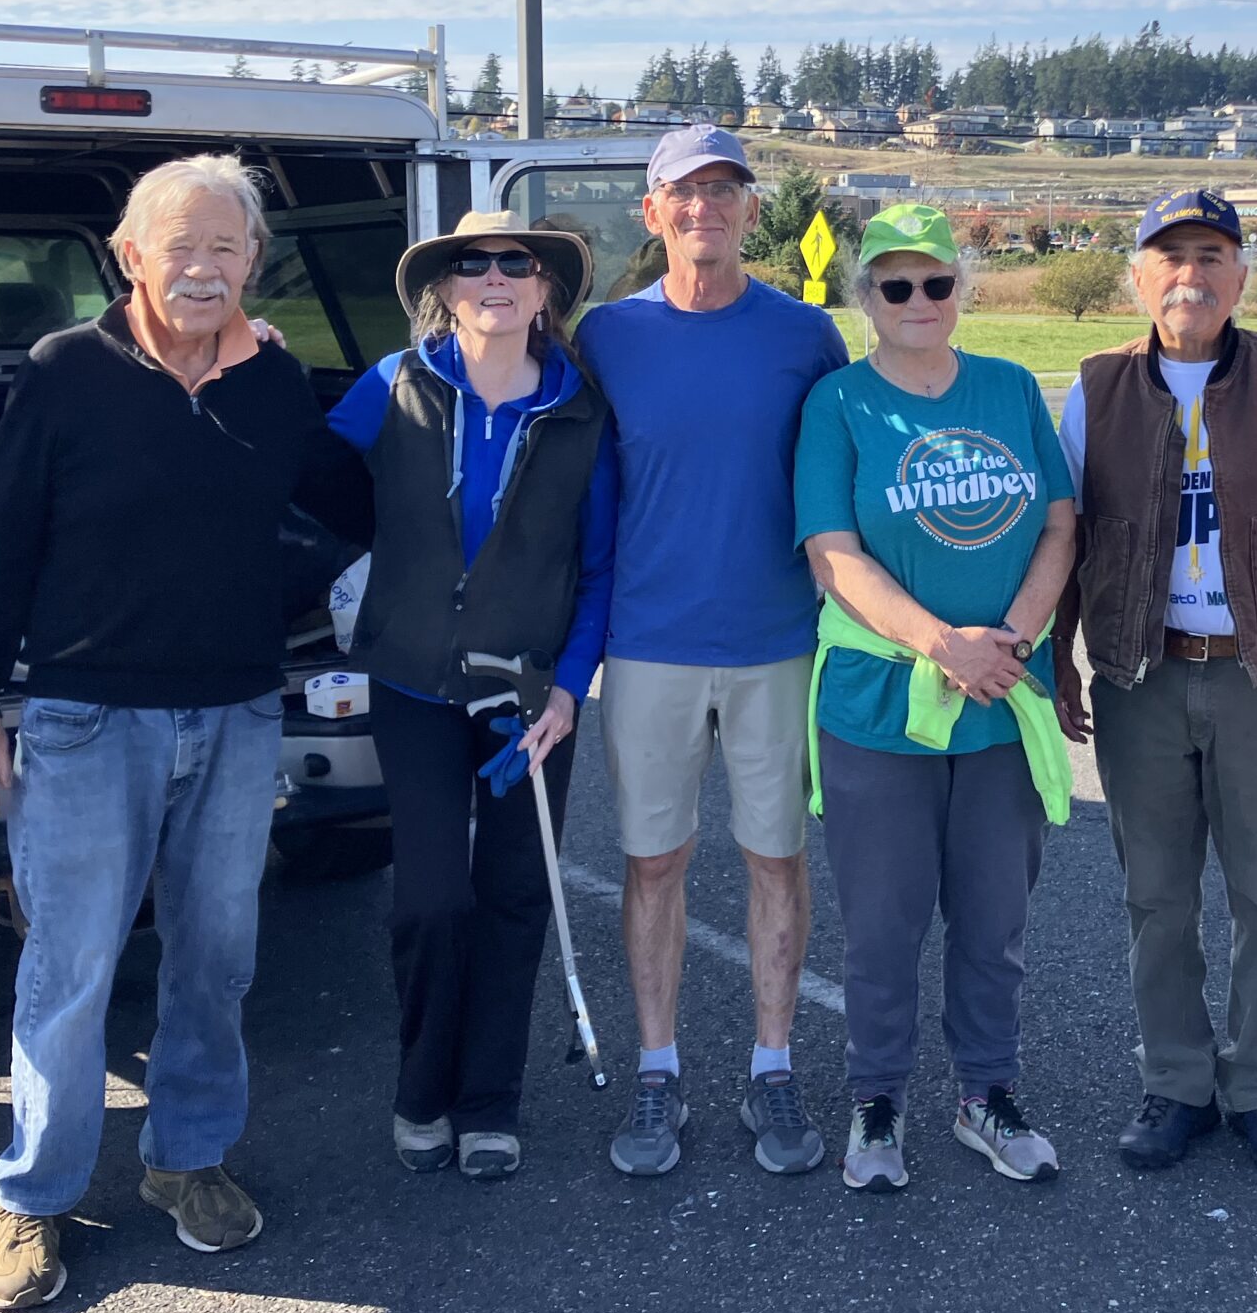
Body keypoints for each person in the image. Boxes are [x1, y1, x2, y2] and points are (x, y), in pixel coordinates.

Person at [0, 153, 369, 1312]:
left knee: (216, 959)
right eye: (179, 245)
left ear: (253, 266)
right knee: (71, 965)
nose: (202, 267)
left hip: (234, 716)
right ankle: (33, 1198)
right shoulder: (65, 372)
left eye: (225, 249)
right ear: (130, 256)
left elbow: (355, 494)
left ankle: (186, 1160)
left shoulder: (272, 385)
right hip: (85, 720)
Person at [1052, 188, 1257, 1174]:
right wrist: (1060, 654)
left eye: (1210, 257)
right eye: (1169, 258)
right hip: (1141, 678)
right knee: (1155, 897)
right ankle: (1175, 1082)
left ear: (1240, 275)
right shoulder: (1096, 389)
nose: (1189, 275)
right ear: (1137, 277)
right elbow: (1069, 536)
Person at [572, 126, 850, 1177]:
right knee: (655, 864)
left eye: (725, 190)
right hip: (647, 645)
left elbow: (844, 476)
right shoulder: (605, 338)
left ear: (750, 210)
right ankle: (658, 1070)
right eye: (685, 194)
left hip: (780, 642)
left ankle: (772, 1067)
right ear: (652, 214)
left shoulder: (804, 334)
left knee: (775, 857)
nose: (706, 209)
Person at [324, 210, 617, 1182]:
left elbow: (599, 568)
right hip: (412, 685)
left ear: (545, 292)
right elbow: (304, 486)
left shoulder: (580, 412)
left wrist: (569, 692)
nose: (494, 276)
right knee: (432, 903)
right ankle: (423, 1092)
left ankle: (489, 1102)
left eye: (516, 263)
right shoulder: (392, 388)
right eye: (471, 264)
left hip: (528, 699)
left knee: (513, 895)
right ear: (443, 290)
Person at [795, 205, 1079, 1191]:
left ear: (961, 288)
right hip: (880, 704)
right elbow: (833, 554)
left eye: (936, 283)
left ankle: (986, 1095)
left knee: (993, 921)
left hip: (1003, 696)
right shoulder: (838, 403)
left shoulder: (1006, 389)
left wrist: (1017, 638)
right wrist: (942, 645)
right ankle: (876, 1100)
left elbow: (1056, 525)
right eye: (894, 286)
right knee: (882, 926)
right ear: (864, 297)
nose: (918, 302)